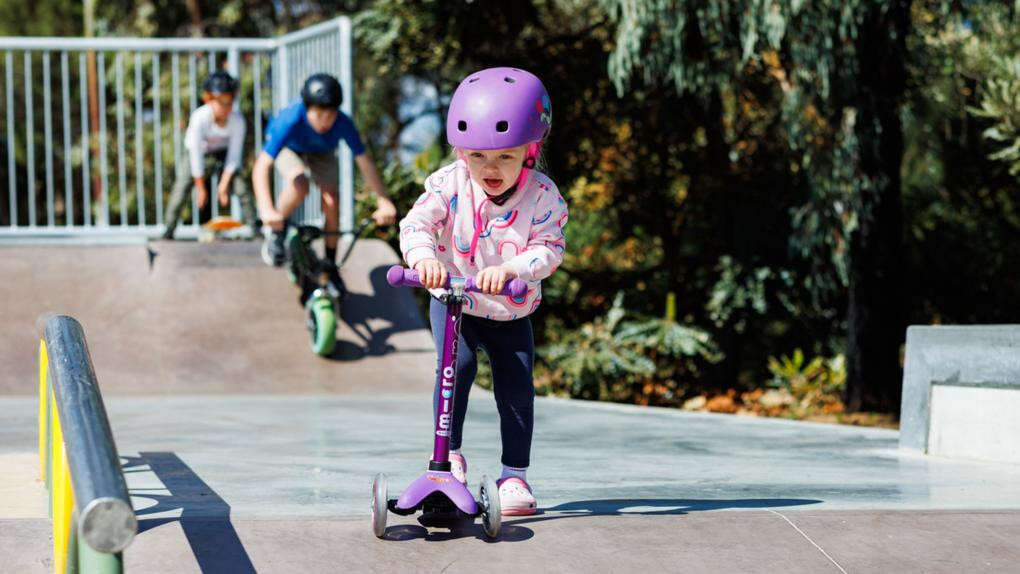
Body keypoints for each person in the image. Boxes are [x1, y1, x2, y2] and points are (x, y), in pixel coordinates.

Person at [399, 67, 567, 516]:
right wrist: (423, 259)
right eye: (477, 156)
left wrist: (513, 267)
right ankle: (446, 457)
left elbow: (549, 248)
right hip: (455, 302)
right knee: (457, 366)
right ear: (460, 151)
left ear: (531, 151)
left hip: (510, 310)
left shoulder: (543, 196)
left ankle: (515, 475)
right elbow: (416, 224)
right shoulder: (448, 183)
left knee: (515, 388)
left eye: (506, 157)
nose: (489, 169)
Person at [252, 73, 396, 290]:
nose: (325, 122)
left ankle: (330, 262)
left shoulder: (343, 123)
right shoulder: (290, 119)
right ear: (307, 108)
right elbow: (261, 167)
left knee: (331, 199)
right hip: (289, 148)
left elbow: (365, 163)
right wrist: (266, 210)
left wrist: (383, 201)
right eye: (318, 115)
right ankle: (277, 232)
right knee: (299, 183)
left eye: (330, 116)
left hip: (322, 152)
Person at [163, 70, 255, 239]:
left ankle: (255, 229)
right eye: (221, 102)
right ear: (208, 100)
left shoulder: (237, 121)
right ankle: (168, 229)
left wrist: (224, 184)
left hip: (223, 155)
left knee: (241, 186)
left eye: (229, 102)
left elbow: (234, 156)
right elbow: (195, 153)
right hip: (198, 154)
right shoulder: (199, 117)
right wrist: (200, 187)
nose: (225, 108)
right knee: (181, 185)